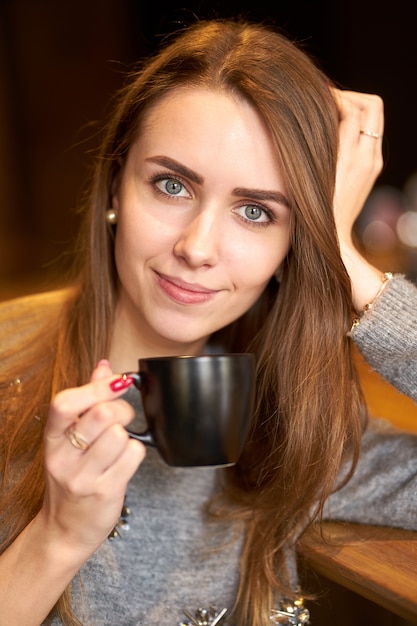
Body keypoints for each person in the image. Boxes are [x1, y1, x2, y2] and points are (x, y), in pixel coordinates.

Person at [0, 18, 416, 626]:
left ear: (293, 242)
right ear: (116, 183)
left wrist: (348, 266)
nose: (198, 247)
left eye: (256, 211)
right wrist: (56, 539)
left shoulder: (286, 431)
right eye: (171, 185)